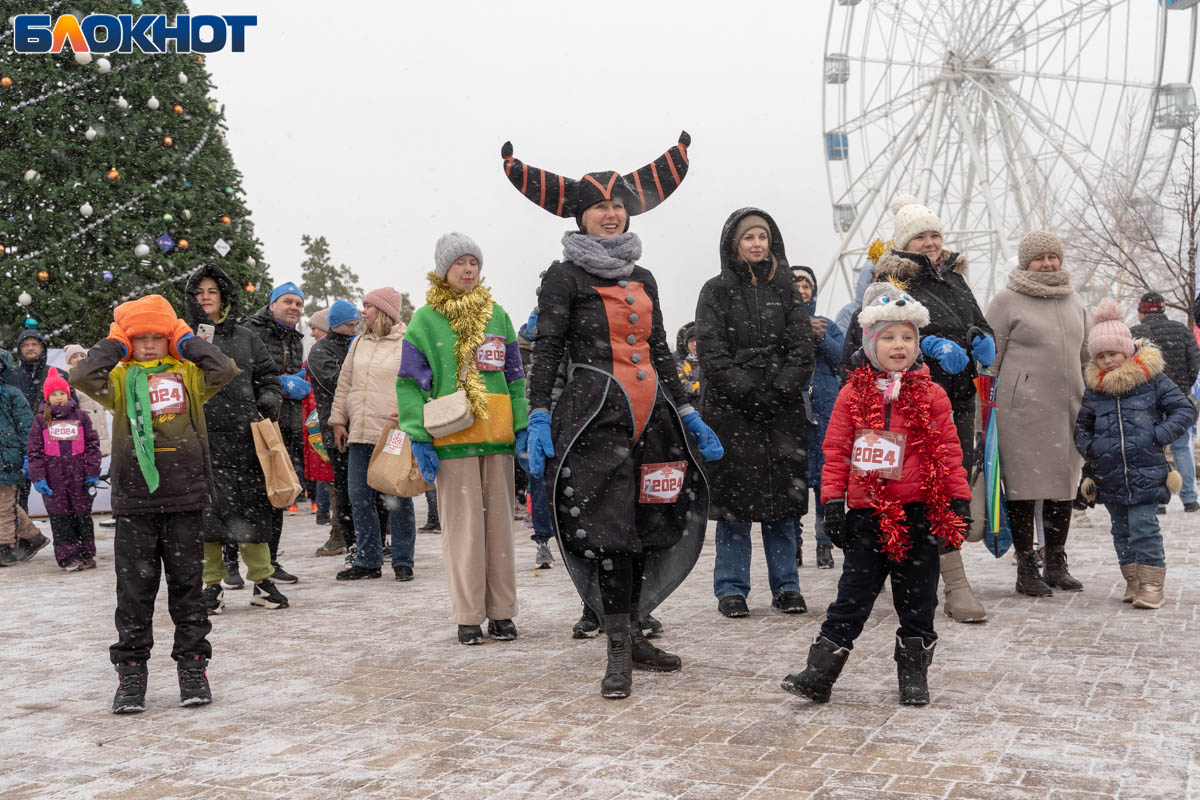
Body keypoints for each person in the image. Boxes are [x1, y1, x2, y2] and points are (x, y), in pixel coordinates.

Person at [502, 132, 723, 698]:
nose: (610, 213)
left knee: (653, 524)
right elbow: (547, 350)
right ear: (580, 215)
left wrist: (689, 411)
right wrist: (540, 414)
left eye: (617, 204)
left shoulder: (642, 277)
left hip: (654, 422)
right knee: (610, 533)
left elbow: (660, 351)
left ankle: (637, 633)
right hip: (594, 422)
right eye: (599, 205)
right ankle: (618, 652)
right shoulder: (564, 277)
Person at [782, 282, 971, 706]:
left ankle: (914, 676)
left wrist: (958, 500)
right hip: (868, 516)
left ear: (918, 344)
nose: (898, 345)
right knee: (851, 598)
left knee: (918, 599)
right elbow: (835, 451)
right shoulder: (852, 393)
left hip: (919, 514)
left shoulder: (932, 393)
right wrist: (832, 502)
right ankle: (819, 673)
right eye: (887, 337)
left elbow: (949, 450)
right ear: (870, 343)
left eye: (907, 337)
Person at [70, 294, 238, 713]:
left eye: (156, 337)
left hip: (184, 499)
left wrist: (184, 339)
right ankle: (130, 677)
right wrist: (115, 343)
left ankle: (193, 670)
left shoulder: (189, 378)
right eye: (139, 338)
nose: (148, 345)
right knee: (133, 595)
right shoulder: (122, 381)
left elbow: (225, 368)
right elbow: (85, 375)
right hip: (135, 503)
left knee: (188, 593)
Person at [840, 195, 992, 624]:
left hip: (954, 399)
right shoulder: (892, 283)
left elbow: (975, 320)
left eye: (935, 234)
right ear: (904, 243)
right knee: (901, 486)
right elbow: (872, 337)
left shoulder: (956, 280)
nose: (930, 242)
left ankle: (948, 580)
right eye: (920, 236)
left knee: (945, 482)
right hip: (905, 401)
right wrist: (925, 345)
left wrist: (982, 338)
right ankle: (919, 575)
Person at [397, 233, 528, 644]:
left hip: (498, 436)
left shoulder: (498, 316)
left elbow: (516, 378)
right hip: (452, 439)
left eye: (473, 263)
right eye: (459, 264)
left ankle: (502, 613)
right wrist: (417, 436)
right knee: (465, 531)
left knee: (500, 532)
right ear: (443, 270)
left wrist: (521, 427)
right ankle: (468, 615)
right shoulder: (425, 320)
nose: (467, 270)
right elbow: (409, 384)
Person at [695, 209, 813, 618]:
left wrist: (780, 387)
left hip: (781, 411)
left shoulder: (786, 291)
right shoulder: (715, 291)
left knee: (783, 504)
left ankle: (787, 586)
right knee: (735, 508)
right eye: (749, 237)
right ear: (735, 244)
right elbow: (710, 350)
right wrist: (744, 389)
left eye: (763, 236)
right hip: (733, 412)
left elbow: (802, 347)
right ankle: (731, 588)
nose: (757, 244)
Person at [985, 232, 1089, 597]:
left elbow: (1086, 356)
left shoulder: (1074, 300)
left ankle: (1057, 562)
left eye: (1053, 256)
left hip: (1068, 408)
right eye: (1039, 257)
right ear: (1023, 261)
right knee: (1023, 488)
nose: (1048, 263)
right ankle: (1026, 565)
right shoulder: (1006, 302)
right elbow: (989, 362)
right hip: (1021, 412)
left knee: (1064, 486)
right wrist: (986, 410)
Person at [184, 265, 288, 614]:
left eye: (212, 291)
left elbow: (269, 377)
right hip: (199, 441)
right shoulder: (183, 339)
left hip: (246, 443)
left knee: (254, 516)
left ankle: (262, 581)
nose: (206, 297)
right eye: (199, 292)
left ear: (224, 295)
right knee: (207, 521)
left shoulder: (246, 337)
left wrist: (269, 398)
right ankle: (211, 586)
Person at [1075, 299, 1192, 610]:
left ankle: (1153, 584)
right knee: (1122, 530)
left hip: (1147, 469)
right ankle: (1134, 581)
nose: (1107, 361)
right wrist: (1091, 448)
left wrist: (1157, 435)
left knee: (1144, 527)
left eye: (1112, 353)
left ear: (1127, 351)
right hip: (1109, 473)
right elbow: (1082, 426)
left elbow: (1184, 410)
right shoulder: (1095, 389)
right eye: (1100, 356)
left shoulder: (1151, 380)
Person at [330, 288, 416, 582]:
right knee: (359, 496)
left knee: (397, 495)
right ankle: (368, 560)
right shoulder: (358, 343)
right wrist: (338, 420)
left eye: (368, 306)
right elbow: (345, 384)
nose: (362, 311)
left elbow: (420, 383)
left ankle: (403, 560)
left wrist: (410, 414)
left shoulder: (407, 343)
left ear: (384, 312)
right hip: (360, 432)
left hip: (392, 432)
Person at [244, 281, 308, 584]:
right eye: (287, 302)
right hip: (254, 424)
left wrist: (293, 388)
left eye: (298, 303)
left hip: (285, 424)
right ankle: (231, 563)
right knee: (242, 496)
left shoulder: (297, 338)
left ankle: (271, 561)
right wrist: (277, 383)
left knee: (279, 492)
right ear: (272, 305)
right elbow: (242, 373)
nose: (294, 307)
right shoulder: (251, 330)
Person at [792, 265, 844, 570]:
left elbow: (842, 359)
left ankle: (824, 545)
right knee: (795, 486)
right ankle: (794, 546)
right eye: (796, 284)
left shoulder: (829, 324)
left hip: (825, 414)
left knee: (825, 485)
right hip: (796, 415)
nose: (802, 289)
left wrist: (822, 337)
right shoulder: (781, 325)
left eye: (807, 284)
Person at [1130, 291, 1200, 513]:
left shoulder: (1135, 333)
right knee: (1181, 448)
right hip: (1178, 399)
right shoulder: (1181, 330)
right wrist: (1181, 388)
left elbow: (1131, 368)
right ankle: (1189, 499)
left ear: (1142, 311)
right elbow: (1194, 363)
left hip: (1147, 401)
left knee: (1153, 449)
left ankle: (1159, 500)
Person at [26, 367, 101, 570]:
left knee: (82, 516)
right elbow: (34, 452)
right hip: (54, 481)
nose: (58, 398)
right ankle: (69, 557)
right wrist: (38, 477)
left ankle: (86, 553)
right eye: (54, 394)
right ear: (47, 397)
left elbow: (93, 446)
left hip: (79, 478)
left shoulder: (81, 417)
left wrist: (92, 474)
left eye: (61, 393)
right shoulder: (40, 420)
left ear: (68, 394)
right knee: (61, 519)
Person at [307, 300, 360, 559]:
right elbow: (339, 385)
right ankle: (349, 541)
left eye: (357, 325)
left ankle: (374, 539)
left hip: (364, 425)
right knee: (345, 488)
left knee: (368, 487)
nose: (354, 330)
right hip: (337, 429)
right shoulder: (320, 352)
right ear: (336, 325)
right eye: (349, 325)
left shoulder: (359, 344)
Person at [0, 350, 47, 566]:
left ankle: (6, 548)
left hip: (7, 455)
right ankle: (33, 537)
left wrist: (29, 453)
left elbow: (27, 425)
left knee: (4, 503)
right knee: (6, 503)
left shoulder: (11, 394)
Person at [519, 308, 554, 569]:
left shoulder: (561, 346)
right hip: (526, 424)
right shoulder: (518, 351)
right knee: (537, 478)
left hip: (558, 420)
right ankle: (542, 540)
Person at [9, 321, 50, 510]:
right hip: (18, 446)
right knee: (17, 502)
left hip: (51, 445)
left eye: (34, 344)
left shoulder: (57, 374)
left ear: (42, 347)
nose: (30, 348)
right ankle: (22, 539)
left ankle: (66, 540)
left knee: (57, 500)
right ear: (19, 350)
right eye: (25, 345)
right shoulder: (10, 376)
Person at [306, 307, 333, 526]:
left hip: (320, 415)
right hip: (317, 415)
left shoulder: (321, 353)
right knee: (325, 467)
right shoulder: (318, 351)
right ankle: (323, 511)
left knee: (326, 467)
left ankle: (324, 512)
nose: (312, 332)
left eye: (315, 328)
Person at [63, 345, 111, 458]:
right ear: (69, 361)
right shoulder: (67, 379)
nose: (79, 358)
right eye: (74, 356)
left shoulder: (94, 376)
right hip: (82, 430)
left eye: (82, 355)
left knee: (96, 464)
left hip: (99, 428)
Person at [675, 322, 704, 407]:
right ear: (686, 345)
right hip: (691, 406)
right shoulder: (682, 365)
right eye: (691, 341)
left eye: (697, 340)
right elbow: (683, 385)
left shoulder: (710, 362)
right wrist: (703, 387)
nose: (694, 344)